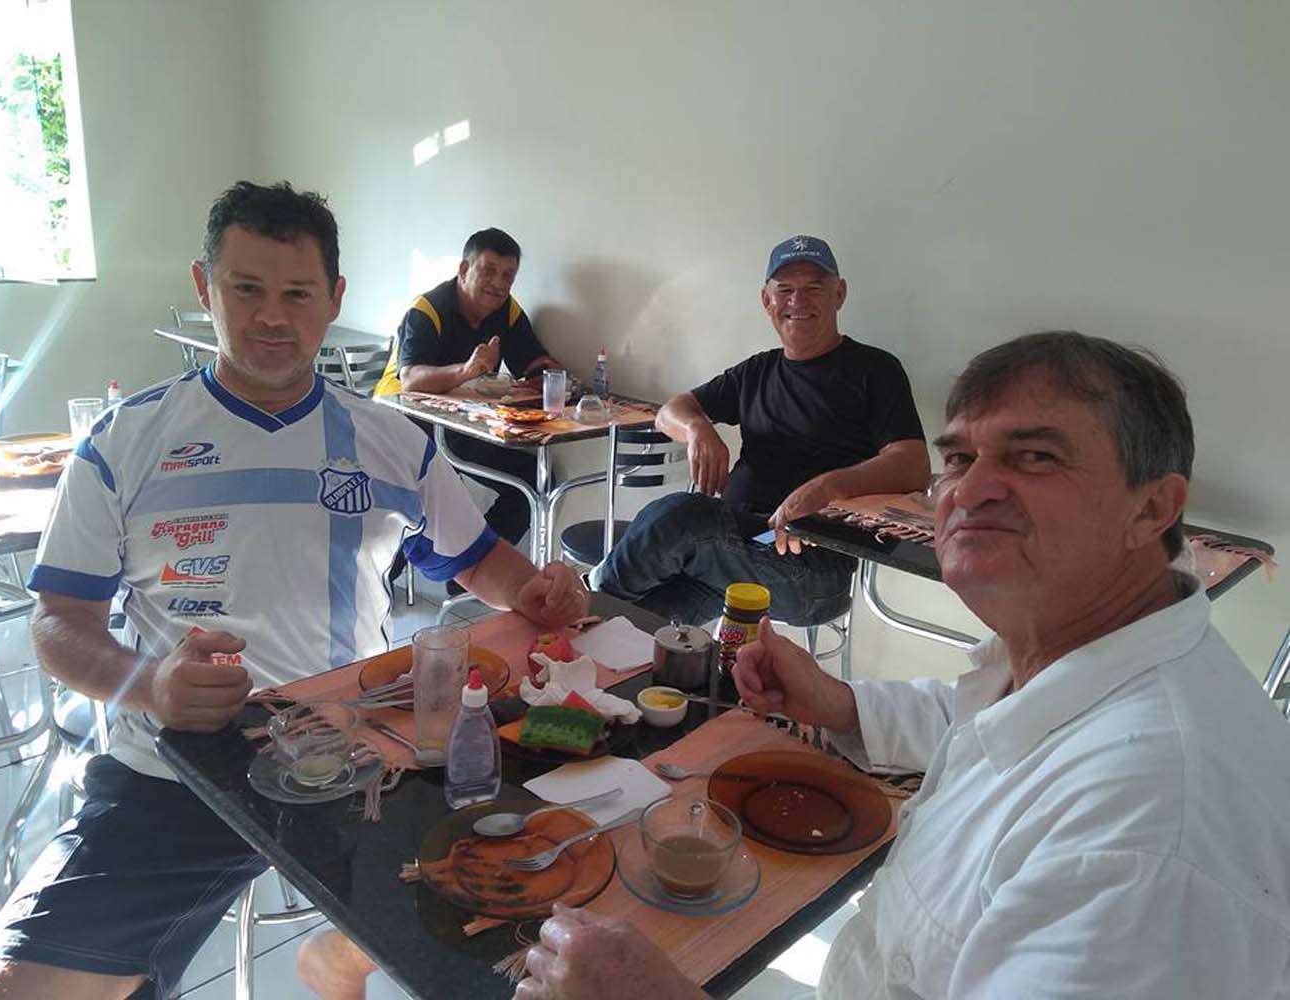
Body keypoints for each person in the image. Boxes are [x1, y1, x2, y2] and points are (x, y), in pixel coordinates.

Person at [515, 332, 1290, 1000]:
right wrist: (844, 705)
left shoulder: (1152, 840)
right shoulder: (1076, 663)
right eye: (959, 458)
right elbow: (997, 730)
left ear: (1151, 508)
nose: (970, 489)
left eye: (1035, 457)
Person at [0, 182, 589, 1000]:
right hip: (178, 769)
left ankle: (343, 953)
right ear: (204, 287)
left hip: (363, 762)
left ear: (335, 299)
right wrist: (147, 684)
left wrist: (532, 590)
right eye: (245, 288)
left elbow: (475, 560)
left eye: (297, 293)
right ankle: (345, 941)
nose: (270, 316)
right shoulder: (125, 442)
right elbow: (58, 622)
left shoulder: (391, 439)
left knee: (529, 923)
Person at [590, 235, 930, 627]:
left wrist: (826, 487)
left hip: (810, 563)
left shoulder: (875, 370)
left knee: (678, 516)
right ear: (767, 301)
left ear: (839, 294)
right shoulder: (757, 371)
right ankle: (584, 637)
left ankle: (585, 603)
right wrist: (698, 428)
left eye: (814, 288)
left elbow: (913, 465)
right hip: (733, 548)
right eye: (785, 290)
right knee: (638, 624)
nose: (797, 301)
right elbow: (670, 413)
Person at [373, 228, 562, 552]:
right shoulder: (427, 309)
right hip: (400, 420)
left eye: (508, 275)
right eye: (489, 270)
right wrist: (466, 370)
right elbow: (411, 380)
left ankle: (474, 565)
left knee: (538, 479)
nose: (498, 283)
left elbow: (532, 360)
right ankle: (394, 568)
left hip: (461, 424)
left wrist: (551, 374)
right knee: (434, 489)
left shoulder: (508, 311)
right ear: (464, 269)